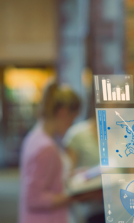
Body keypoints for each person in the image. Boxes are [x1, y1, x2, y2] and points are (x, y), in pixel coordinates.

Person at [19, 81, 81, 223]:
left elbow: (47, 179)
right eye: (72, 120)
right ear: (63, 113)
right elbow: (34, 198)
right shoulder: (45, 147)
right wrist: (75, 197)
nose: (71, 125)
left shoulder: (37, 137)